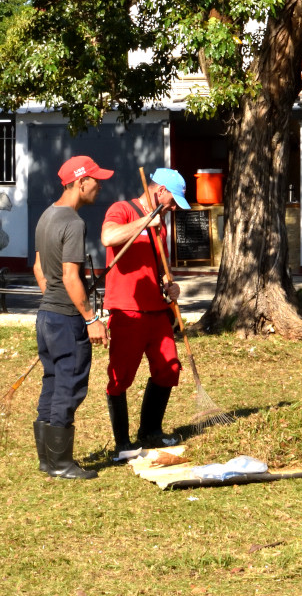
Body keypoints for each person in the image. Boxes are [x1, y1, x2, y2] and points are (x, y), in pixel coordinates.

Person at [32, 155, 114, 480]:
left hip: (46, 316)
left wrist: (51, 299)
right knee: (70, 384)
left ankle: (47, 461)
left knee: (51, 382)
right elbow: (70, 277)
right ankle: (62, 464)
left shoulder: (46, 216)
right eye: (96, 179)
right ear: (81, 182)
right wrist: (91, 318)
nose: (100, 185)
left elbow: (39, 267)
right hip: (66, 320)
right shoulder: (74, 223)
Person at [99, 168, 189, 458]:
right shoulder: (122, 209)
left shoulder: (160, 224)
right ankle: (123, 443)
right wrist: (145, 220)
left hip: (157, 309)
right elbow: (108, 237)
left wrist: (170, 284)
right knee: (121, 375)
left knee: (169, 368)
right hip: (127, 308)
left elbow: (158, 265)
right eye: (173, 201)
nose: (174, 208)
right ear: (160, 190)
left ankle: (150, 431)